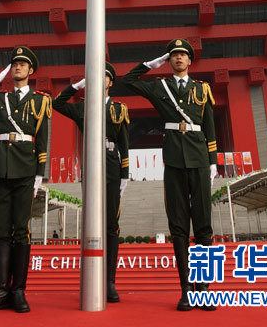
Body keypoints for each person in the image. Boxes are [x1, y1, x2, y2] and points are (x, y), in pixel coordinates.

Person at [123, 39, 217, 311]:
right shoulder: (159, 86)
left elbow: (209, 125)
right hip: (174, 159)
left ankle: (204, 289)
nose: (178, 58)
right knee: (178, 226)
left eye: (182, 55)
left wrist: (212, 161)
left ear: (190, 61)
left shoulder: (202, 89)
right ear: (169, 60)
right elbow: (129, 81)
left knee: (204, 227)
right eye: (173, 55)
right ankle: (186, 289)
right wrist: (152, 63)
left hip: (199, 159)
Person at [0, 45, 51, 314]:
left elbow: (44, 139)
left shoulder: (41, 101)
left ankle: (18, 291)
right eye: (14, 64)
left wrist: (41, 174)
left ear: (31, 70)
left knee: (20, 230)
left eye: (22, 64)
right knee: (1, 230)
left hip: (26, 168)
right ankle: (1, 289)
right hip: (1, 167)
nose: (17, 67)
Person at [52, 62, 129, 303]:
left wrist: (125, 174)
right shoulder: (82, 108)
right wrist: (78, 85)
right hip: (91, 163)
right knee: (91, 222)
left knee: (111, 224)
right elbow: (57, 104)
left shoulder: (119, 108)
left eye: (105, 76)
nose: (101, 78)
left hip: (111, 164)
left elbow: (125, 143)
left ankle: (109, 282)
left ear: (111, 82)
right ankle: (91, 278)